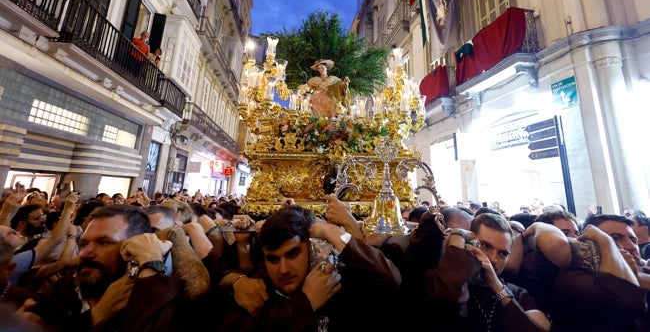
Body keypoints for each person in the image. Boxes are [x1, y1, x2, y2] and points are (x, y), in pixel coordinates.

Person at [218, 205, 401, 331]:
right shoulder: (258, 290)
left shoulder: (333, 279)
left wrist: (333, 233)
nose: (283, 270)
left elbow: (388, 279)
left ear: (311, 247)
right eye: (273, 259)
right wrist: (305, 303)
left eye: (292, 255)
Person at [26, 204, 190, 331]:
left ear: (134, 247)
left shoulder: (160, 302)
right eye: (83, 243)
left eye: (103, 243)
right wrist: (97, 315)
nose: (85, 253)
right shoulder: (62, 290)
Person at [426, 212, 551, 330]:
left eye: (503, 253)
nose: (493, 259)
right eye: (485, 246)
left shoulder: (518, 294)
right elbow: (446, 306)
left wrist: (496, 285)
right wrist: (458, 238)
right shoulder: (439, 280)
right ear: (468, 244)